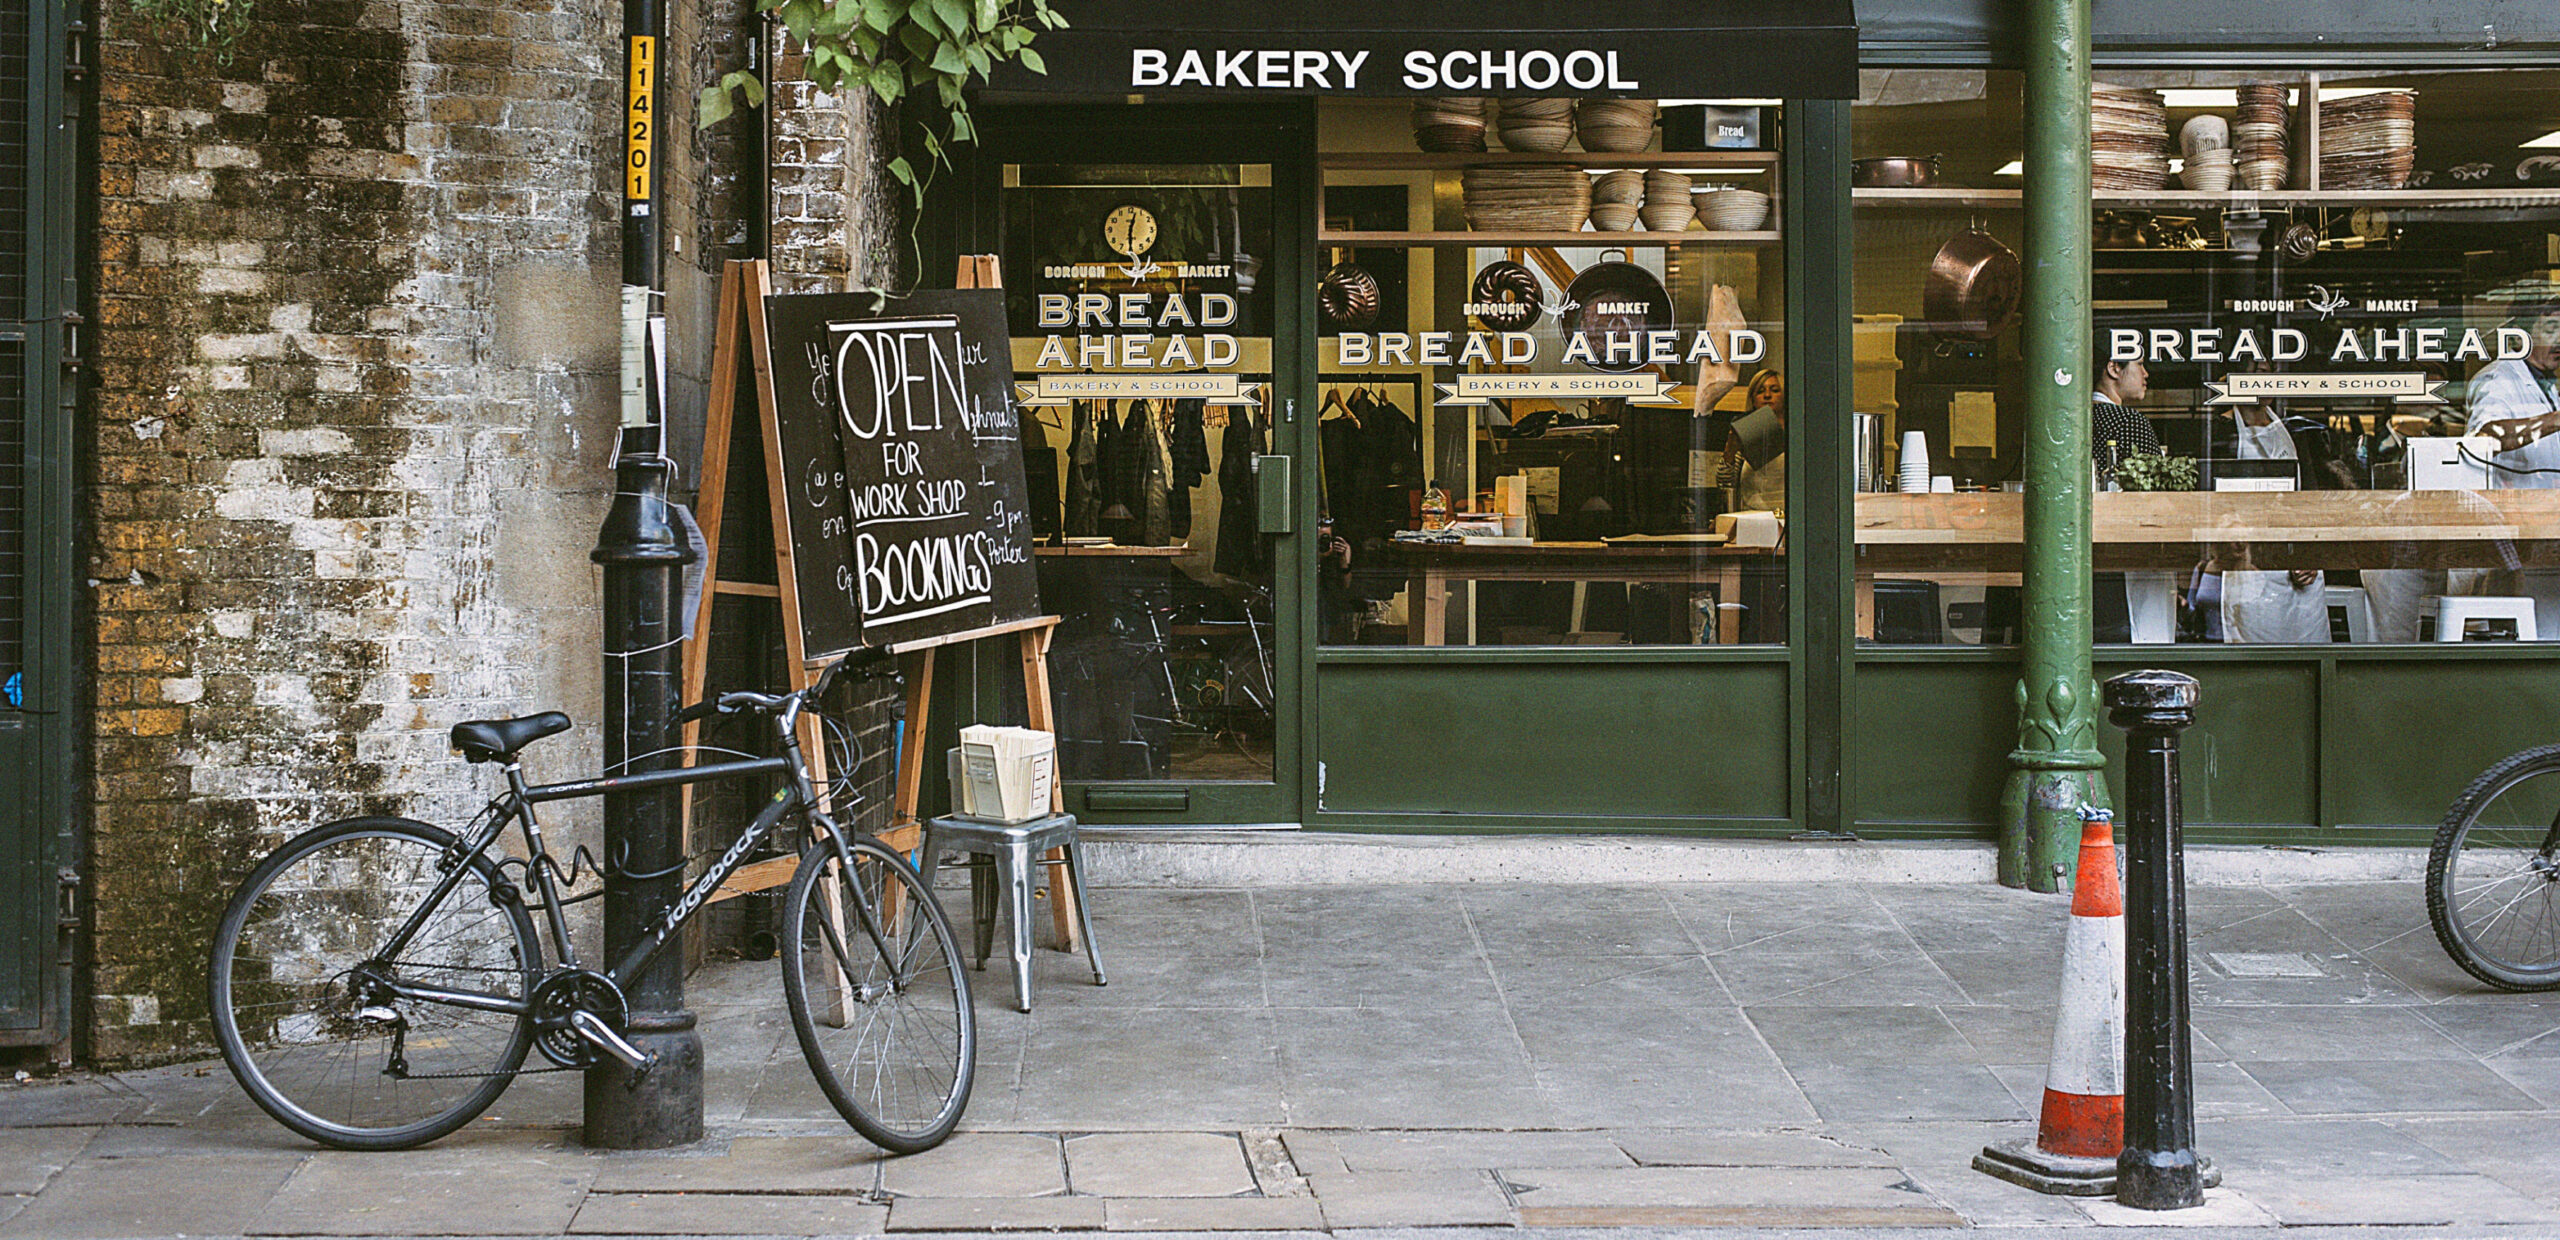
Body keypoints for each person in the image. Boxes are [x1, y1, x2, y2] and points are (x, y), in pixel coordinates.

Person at [2467, 303, 2560, 483]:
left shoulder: (2545, 382)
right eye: (2550, 331)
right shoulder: (2497, 379)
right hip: (2512, 505)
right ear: (2519, 338)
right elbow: (2485, 439)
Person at [1724, 369, 1786, 514]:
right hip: (1752, 517)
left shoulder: (1798, 432)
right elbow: (1725, 483)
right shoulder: (1747, 430)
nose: (1767, 395)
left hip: (1790, 518)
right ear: (1752, 398)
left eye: (1775, 390)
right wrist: (1730, 453)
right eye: (1760, 391)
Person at [2092, 348, 2164, 474]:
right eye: (2139, 364)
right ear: (2114, 369)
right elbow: (2157, 480)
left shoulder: (2073, 418)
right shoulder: (2130, 421)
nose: (2145, 373)